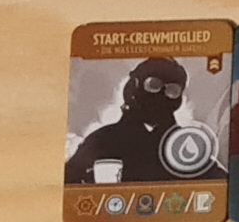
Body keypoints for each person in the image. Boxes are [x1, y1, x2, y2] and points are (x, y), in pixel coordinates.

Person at [66, 56, 211, 183]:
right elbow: (70, 181)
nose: (161, 93)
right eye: (153, 85)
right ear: (135, 85)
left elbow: (216, 183)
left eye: (172, 90)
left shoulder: (183, 144)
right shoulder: (102, 140)